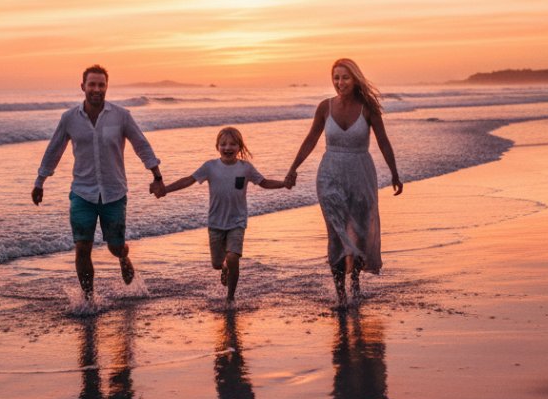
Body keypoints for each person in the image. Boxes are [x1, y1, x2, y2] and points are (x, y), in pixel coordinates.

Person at [33, 65, 165, 302]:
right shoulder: (69, 119)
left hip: (114, 193)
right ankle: (89, 299)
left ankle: (123, 256)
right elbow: (54, 150)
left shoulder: (121, 116)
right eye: (92, 84)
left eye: (101, 85)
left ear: (106, 87)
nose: (96, 89)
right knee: (82, 247)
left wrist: (156, 175)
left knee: (115, 247)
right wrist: (40, 181)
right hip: (82, 193)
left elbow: (141, 145)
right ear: (82, 86)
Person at [285, 58, 401, 305]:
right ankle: (340, 295)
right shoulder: (325, 107)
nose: (340, 82)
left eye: (345, 77)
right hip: (330, 175)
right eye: (336, 77)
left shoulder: (368, 107)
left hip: (361, 175)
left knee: (358, 232)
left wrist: (394, 172)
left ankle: (355, 281)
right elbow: (310, 140)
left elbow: (383, 141)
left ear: (355, 78)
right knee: (336, 233)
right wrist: (293, 168)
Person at [157, 126, 288, 305]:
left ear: (239, 147)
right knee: (217, 264)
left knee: (233, 257)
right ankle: (224, 267)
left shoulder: (245, 168)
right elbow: (189, 180)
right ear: (217, 146)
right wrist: (165, 189)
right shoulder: (210, 167)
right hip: (216, 223)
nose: (228, 147)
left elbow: (264, 182)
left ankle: (230, 297)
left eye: (233, 144)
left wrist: (284, 184)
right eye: (223, 144)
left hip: (237, 222)